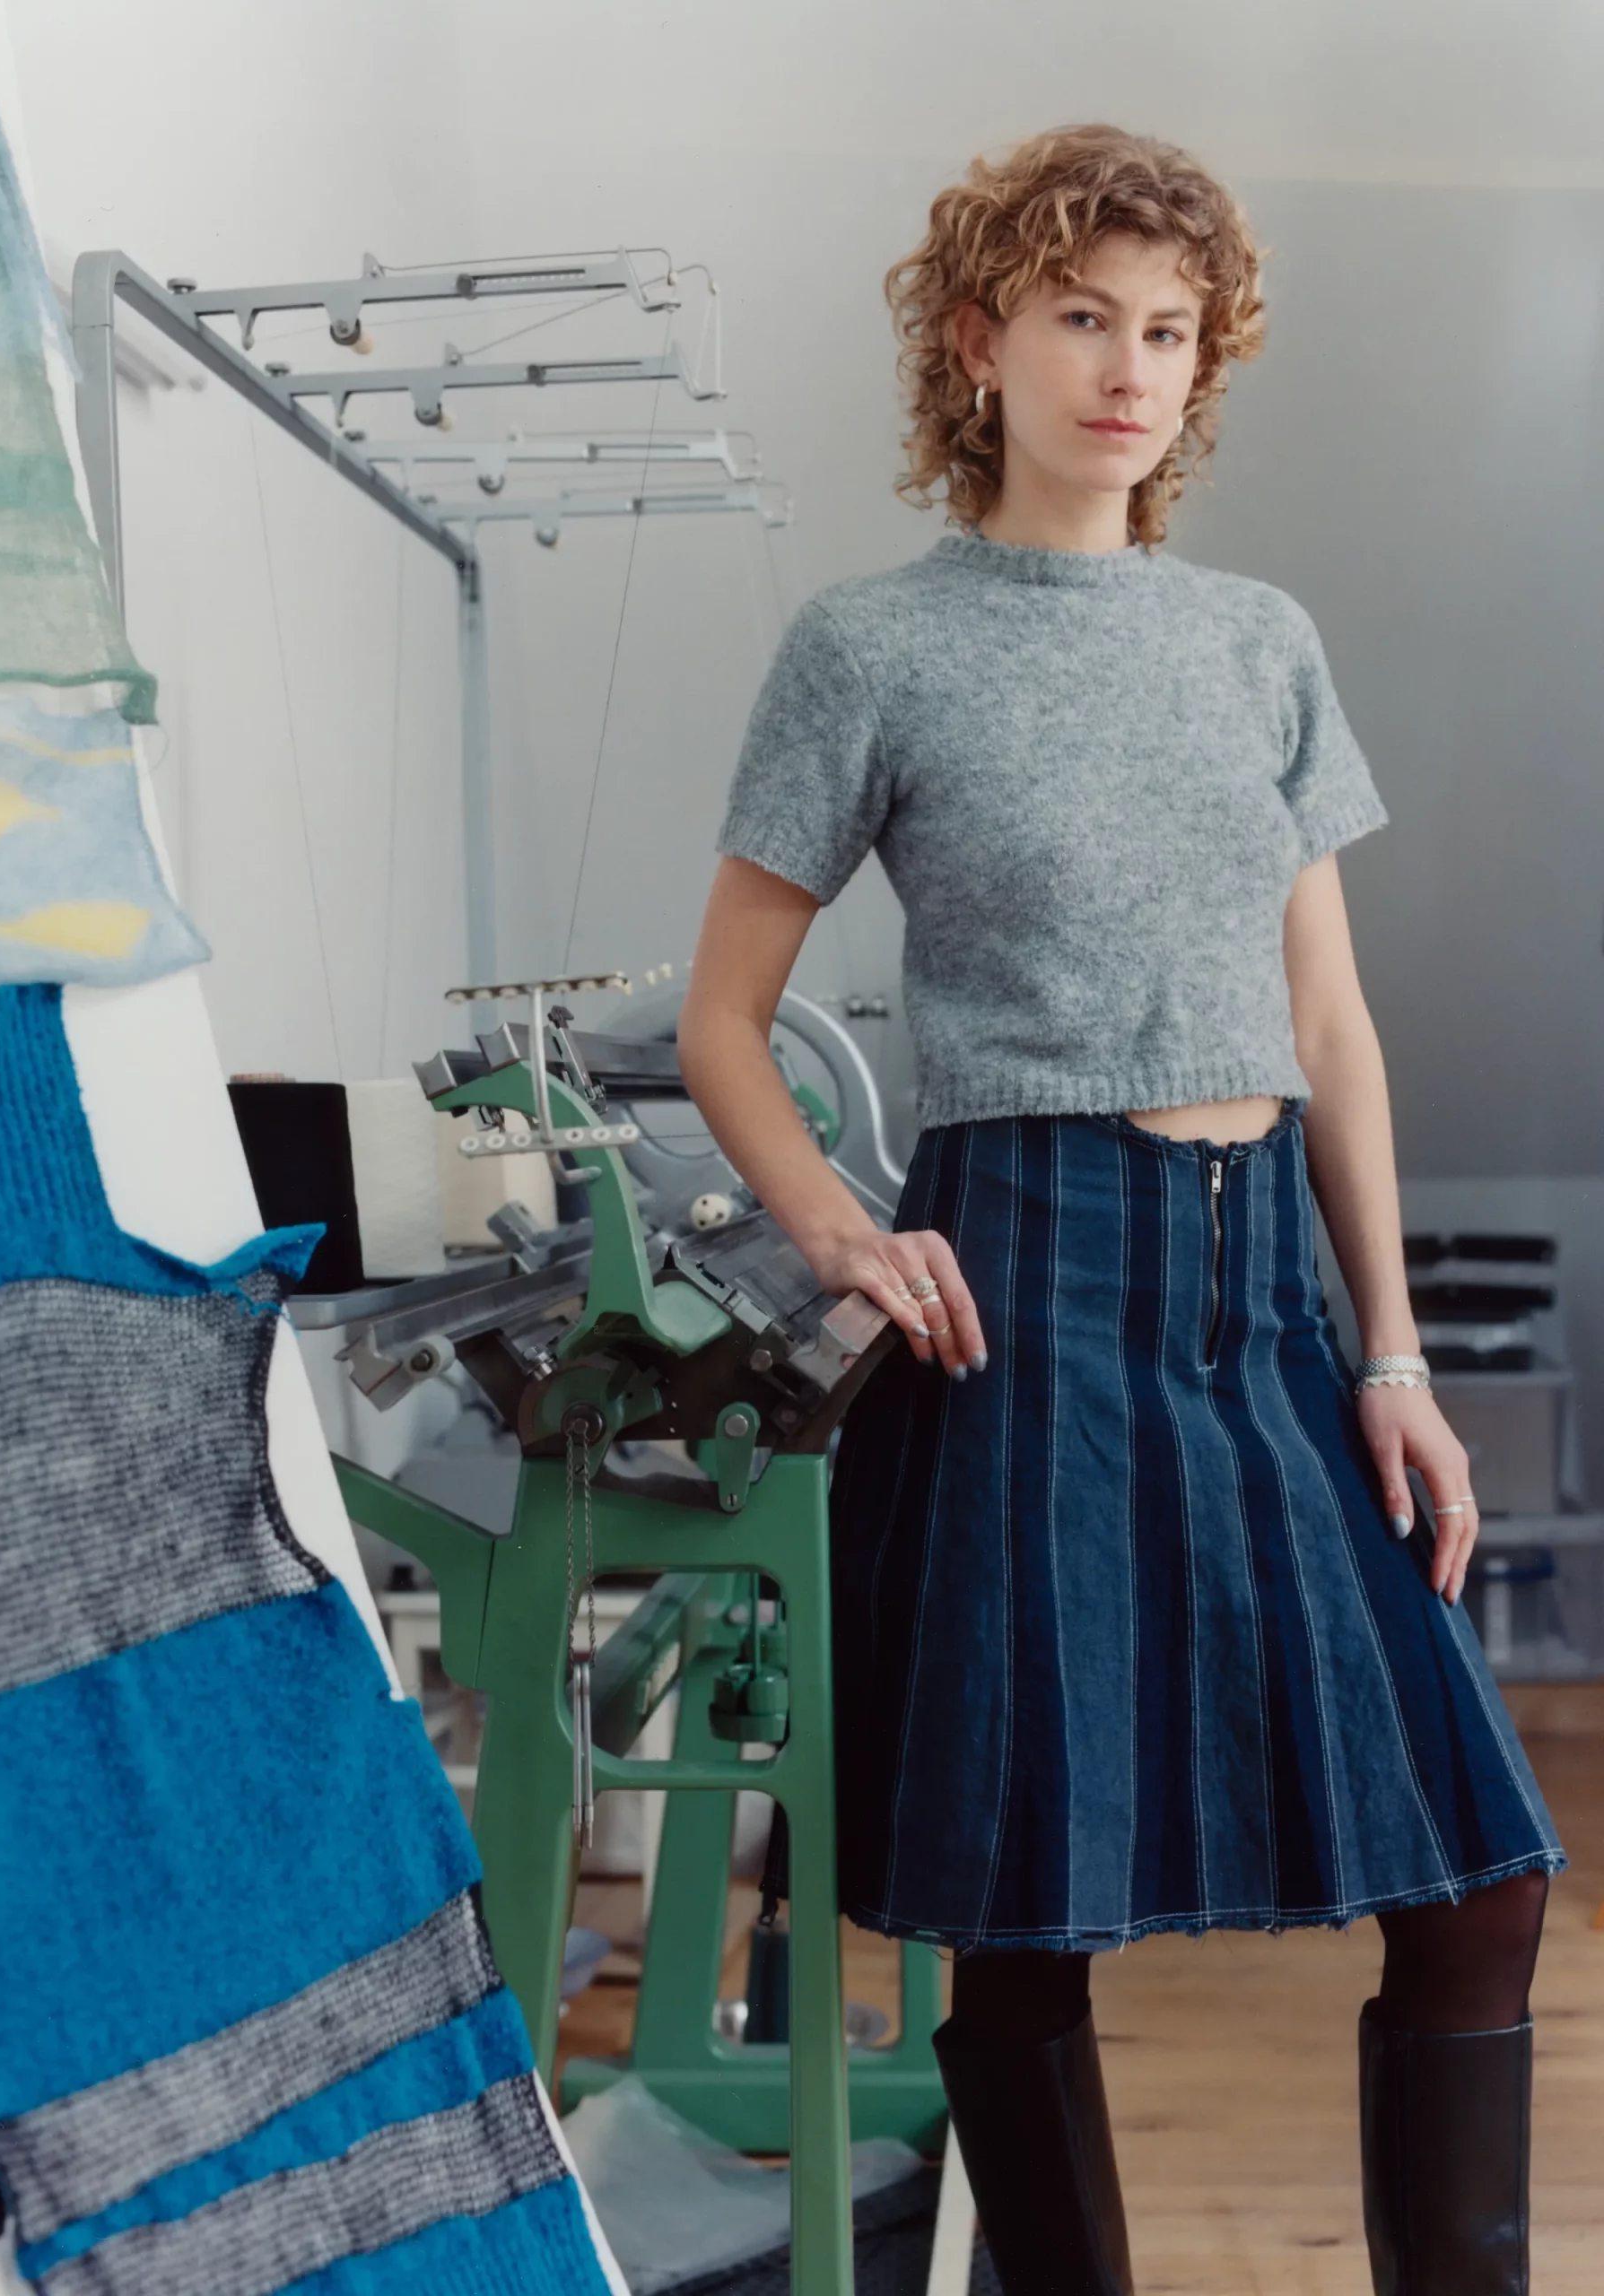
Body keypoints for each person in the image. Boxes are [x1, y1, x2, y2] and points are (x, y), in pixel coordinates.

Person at [676, 124, 1564, 2296]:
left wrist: (1391, 1355)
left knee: (1473, 1879)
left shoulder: (1258, 641)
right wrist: (837, 1230)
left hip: (1257, 1291)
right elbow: (724, 1018)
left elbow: (1332, 1029)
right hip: (1026, 1284)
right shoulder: (869, 646)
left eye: (1168, 331)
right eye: (1083, 316)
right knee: (1022, 1909)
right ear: (978, 341)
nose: (1128, 368)